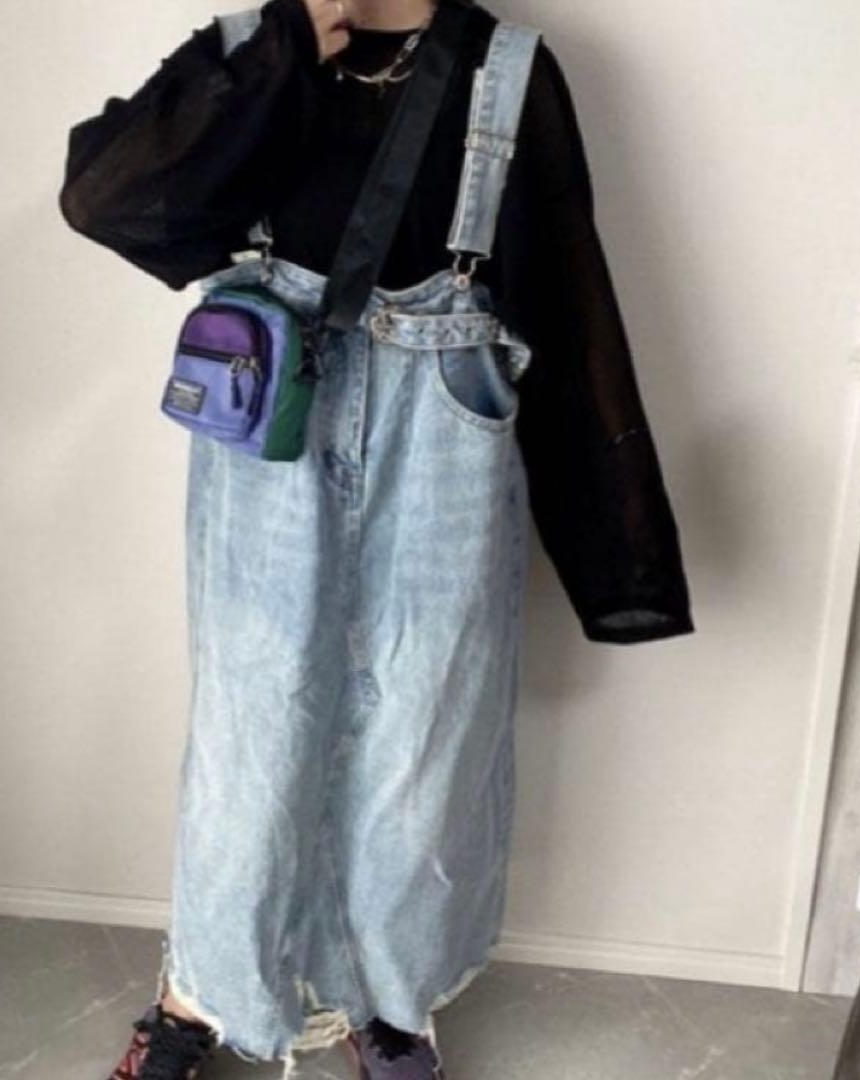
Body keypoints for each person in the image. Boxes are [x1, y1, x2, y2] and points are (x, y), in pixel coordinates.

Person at [58, 0, 696, 1077]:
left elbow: (568, 296)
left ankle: (393, 1005)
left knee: (426, 732)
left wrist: (617, 556)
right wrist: (279, 59)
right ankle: (198, 993)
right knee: (251, 725)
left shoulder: (510, 71)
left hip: (445, 431)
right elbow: (105, 199)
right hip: (274, 428)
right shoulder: (247, 48)